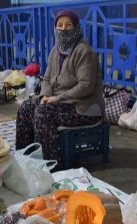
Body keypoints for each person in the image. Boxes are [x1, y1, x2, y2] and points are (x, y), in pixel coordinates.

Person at [16, 9, 104, 165]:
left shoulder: (84, 51)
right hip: (61, 103)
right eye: (60, 25)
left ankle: (52, 164)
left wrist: (57, 98)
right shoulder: (55, 52)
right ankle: (26, 158)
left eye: (68, 25)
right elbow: (48, 79)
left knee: (43, 114)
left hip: (85, 108)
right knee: (26, 108)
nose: (63, 29)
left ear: (76, 28)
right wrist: (44, 96)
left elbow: (86, 86)